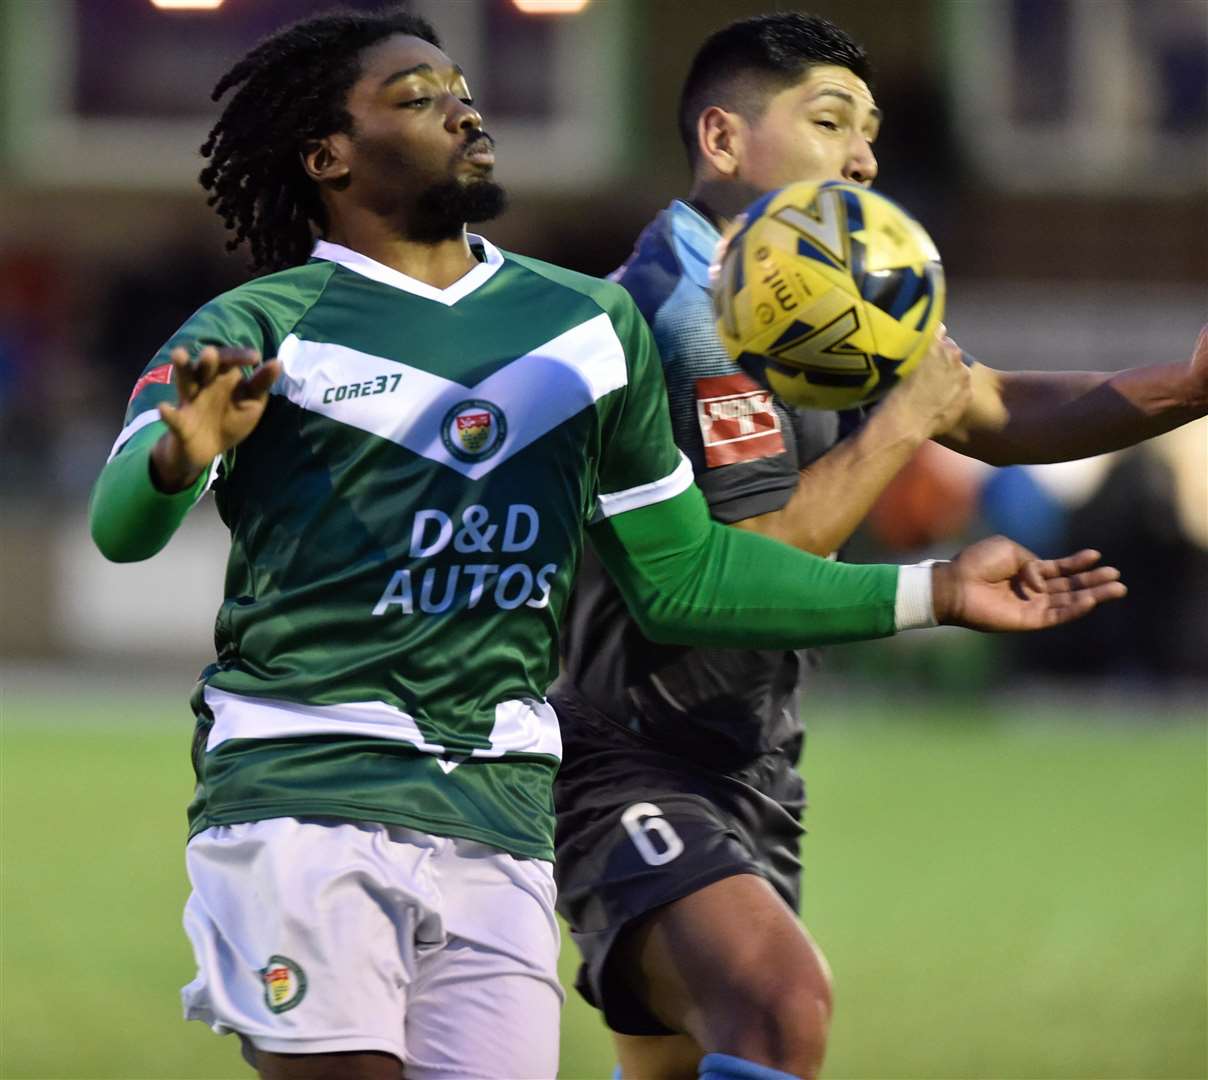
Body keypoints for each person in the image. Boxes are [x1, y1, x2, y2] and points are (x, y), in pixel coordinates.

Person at [88, 9, 1127, 1080]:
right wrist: (175, 464)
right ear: (326, 155)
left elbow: (683, 579)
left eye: (459, 88)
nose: (463, 106)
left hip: (495, 812)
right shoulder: (263, 325)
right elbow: (120, 525)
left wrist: (936, 591)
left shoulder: (584, 323)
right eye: (415, 97)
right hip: (305, 793)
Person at [551, 13, 1208, 1080]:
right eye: (827, 121)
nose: (861, 157)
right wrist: (902, 430)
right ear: (721, 141)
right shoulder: (675, 318)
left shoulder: (800, 285)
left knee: (709, 1052)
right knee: (778, 1004)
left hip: (749, 756)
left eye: (867, 129)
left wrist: (1182, 389)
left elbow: (986, 405)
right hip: (627, 758)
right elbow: (741, 561)